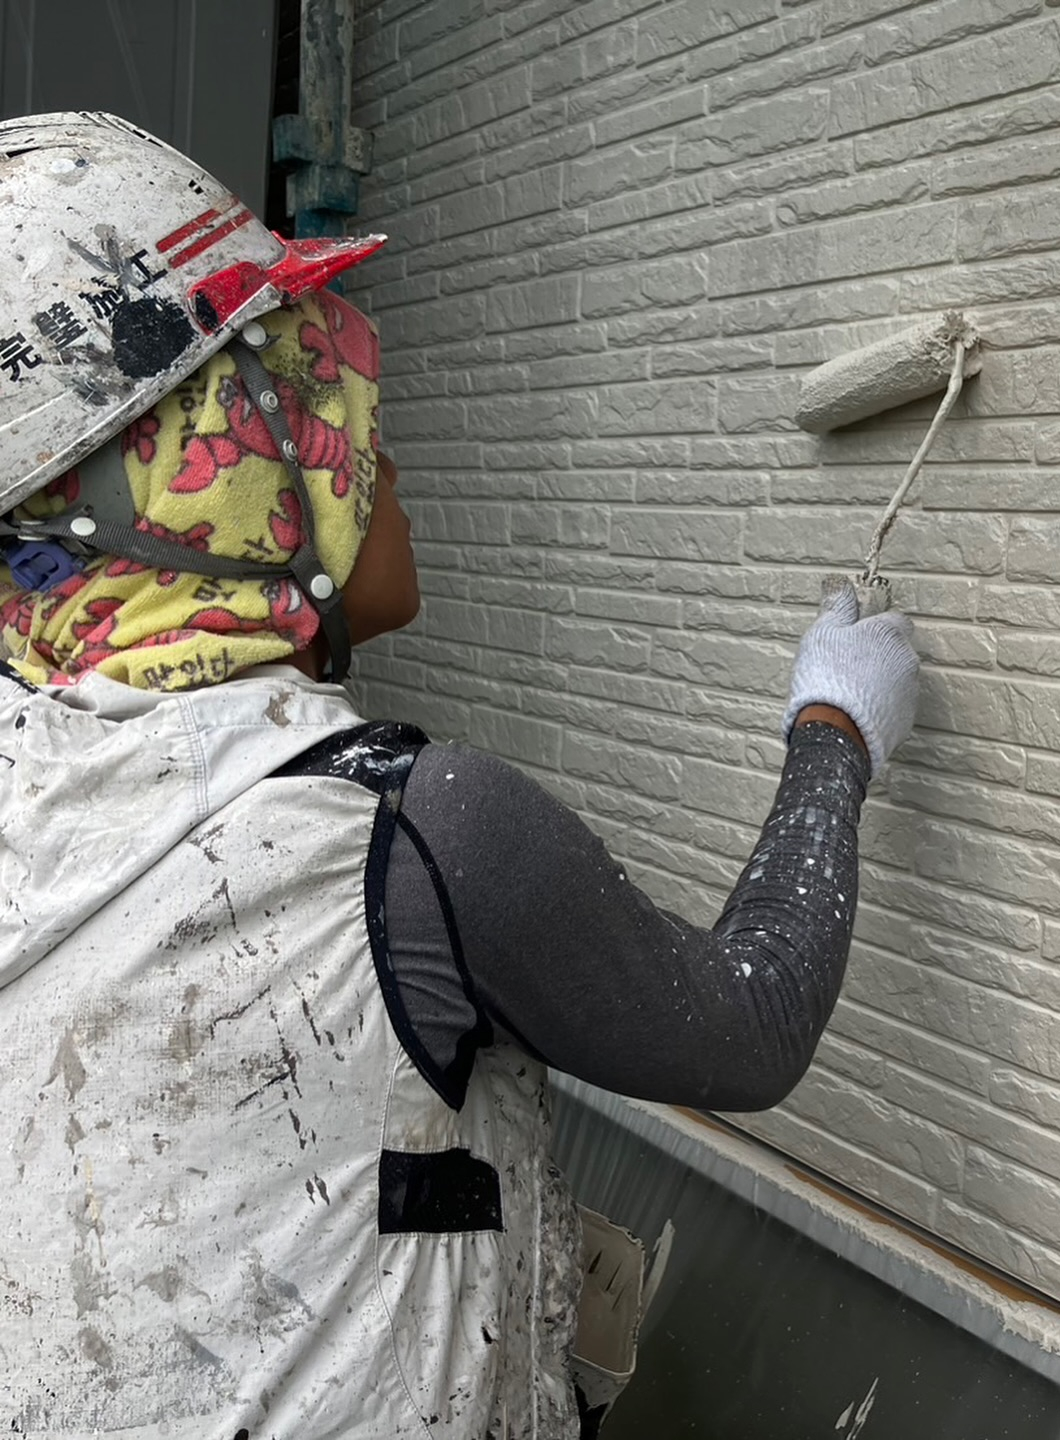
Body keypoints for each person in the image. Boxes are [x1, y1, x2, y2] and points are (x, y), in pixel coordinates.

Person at [0, 112, 919, 1439]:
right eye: (328, 415)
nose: (391, 463)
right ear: (213, 489)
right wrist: (836, 734)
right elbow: (747, 1021)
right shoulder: (408, 833)